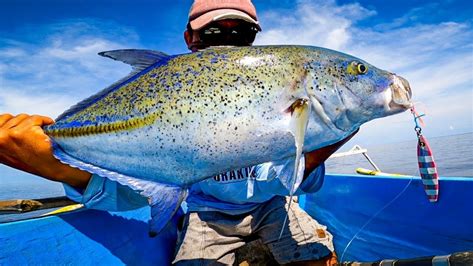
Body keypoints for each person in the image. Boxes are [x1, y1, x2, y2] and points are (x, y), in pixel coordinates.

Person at [0, 0, 355, 264]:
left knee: (319, 258)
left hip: (271, 206)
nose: (228, 42)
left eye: (241, 33)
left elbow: (294, 179)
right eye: (214, 34)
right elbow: (133, 195)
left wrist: (332, 133)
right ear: (190, 38)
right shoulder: (170, 90)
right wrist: (57, 164)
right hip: (206, 215)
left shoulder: (273, 94)